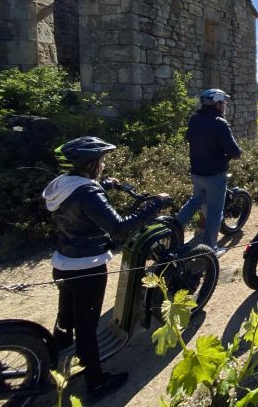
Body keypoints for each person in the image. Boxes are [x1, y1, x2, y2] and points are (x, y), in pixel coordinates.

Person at [44, 136, 169, 401]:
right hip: (87, 268)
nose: (103, 164)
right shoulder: (88, 192)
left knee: (66, 317)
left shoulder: (60, 185)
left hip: (63, 262)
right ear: (89, 163)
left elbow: (77, 202)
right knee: (87, 327)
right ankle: (96, 382)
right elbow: (119, 227)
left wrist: (105, 184)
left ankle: (57, 358)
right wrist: (156, 203)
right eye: (100, 160)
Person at [176, 88, 242, 258]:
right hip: (215, 174)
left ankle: (172, 230)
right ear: (217, 104)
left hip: (197, 171)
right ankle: (210, 247)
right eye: (223, 103)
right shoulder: (219, 123)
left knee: (195, 202)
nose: (225, 106)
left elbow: (190, 138)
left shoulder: (195, 119)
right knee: (215, 211)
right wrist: (229, 154)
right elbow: (235, 151)